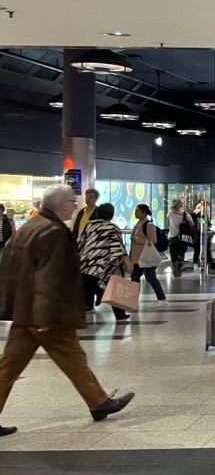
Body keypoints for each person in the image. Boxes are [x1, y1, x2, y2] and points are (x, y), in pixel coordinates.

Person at [0, 185, 134, 436]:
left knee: (9, 367)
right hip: (46, 314)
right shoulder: (53, 232)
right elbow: (49, 278)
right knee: (72, 356)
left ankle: (98, 401)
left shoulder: (30, 226)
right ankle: (98, 402)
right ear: (61, 205)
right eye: (72, 202)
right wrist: (44, 315)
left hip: (25, 312)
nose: (75, 206)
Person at [78, 202, 132, 322]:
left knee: (87, 287)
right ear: (111, 215)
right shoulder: (112, 227)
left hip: (89, 262)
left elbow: (81, 242)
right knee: (114, 288)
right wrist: (126, 262)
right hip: (107, 263)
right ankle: (120, 314)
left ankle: (85, 310)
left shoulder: (89, 225)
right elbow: (118, 246)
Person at [128, 203, 167, 305]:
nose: (135, 212)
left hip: (146, 257)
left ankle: (162, 298)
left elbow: (153, 240)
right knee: (135, 276)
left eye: (137, 211)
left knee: (150, 277)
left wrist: (137, 239)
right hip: (138, 257)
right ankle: (133, 299)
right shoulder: (137, 224)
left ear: (144, 212)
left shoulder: (149, 225)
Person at [167, 199, 194, 277]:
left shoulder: (170, 214)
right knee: (181, 255)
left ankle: (175, 271)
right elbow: (192, 224)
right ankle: (179, 271)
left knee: (173, 255)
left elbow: (168, 225)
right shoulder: (185, 215)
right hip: (182, 238)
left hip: (172, 237)